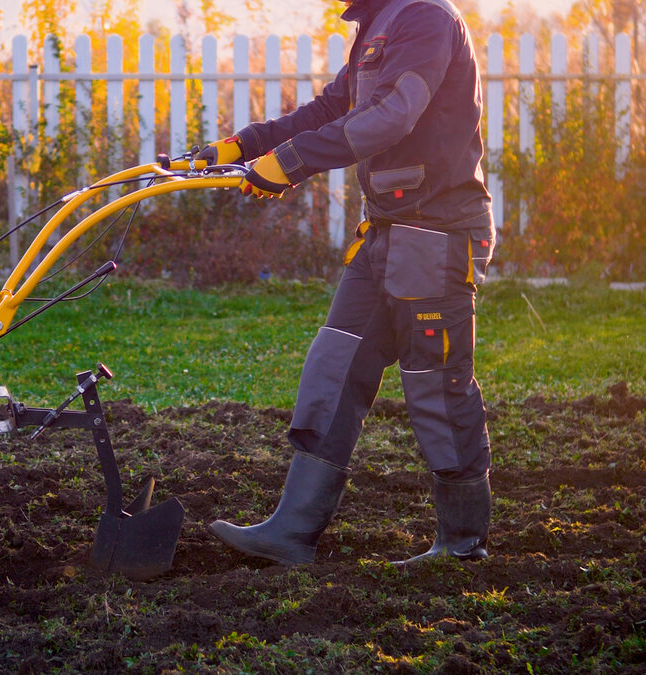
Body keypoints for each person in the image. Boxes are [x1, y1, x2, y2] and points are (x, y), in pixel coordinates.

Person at [199, 0, 496, 566]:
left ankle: (462, 545)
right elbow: (333, 107)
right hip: (384, 234)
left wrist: (292, 163)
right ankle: (291, 531)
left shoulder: (426, 18)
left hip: (436, 234)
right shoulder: (378, 25)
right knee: (332, 368)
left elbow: (392, 116)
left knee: (436, 384)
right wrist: (249, 145)